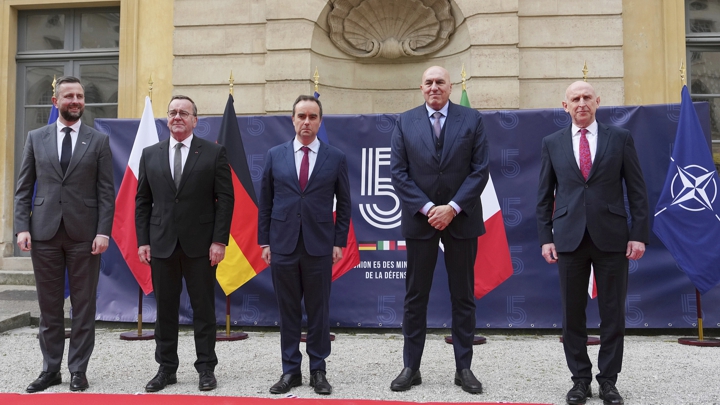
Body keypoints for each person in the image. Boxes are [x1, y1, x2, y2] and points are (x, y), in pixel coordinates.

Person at [536, 81, 649, 405]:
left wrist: (639, 234)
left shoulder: (620, 138)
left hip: (612, 237)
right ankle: (580, 381)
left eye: (587, 97)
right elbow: (543, 196)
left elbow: (638, 191)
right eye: (575, 98)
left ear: (598, 102)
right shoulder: (552, 143)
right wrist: (546, 238)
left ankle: (609, 381)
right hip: (568, 238)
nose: (582, 103)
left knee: (613, 314)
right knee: (572, 315)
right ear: (565, 106)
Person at [390, 66, 488, 394]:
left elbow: (479, 170)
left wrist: (453, 208)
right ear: (421, 87)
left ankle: (464, 369)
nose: (434, 87)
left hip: (462, 219)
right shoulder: (405, 122)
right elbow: (398, 173)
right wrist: (429, 208)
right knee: (415, 297)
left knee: (463, 296)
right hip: (421, 221)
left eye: (440, 82)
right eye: (429, 82)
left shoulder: (472, 119)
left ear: (450, 87)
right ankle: (411, 367)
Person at [14, 76, 115, 393]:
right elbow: (24, 188)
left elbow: (106, 193)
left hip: (85, 235)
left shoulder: (98, 141)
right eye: (69, 95)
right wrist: (22, 227)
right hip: (43, 233)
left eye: (80, 96)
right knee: (49, 306)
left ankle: (78, 370)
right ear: (55, 101)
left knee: (83, 306)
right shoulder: (36, 137)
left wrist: (103, 232)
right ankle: (50, 370)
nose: (75, 101)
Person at [135, 95, 234, 393]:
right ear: (167, 118)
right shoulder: (150, 154)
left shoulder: (214, 153)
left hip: (201, 246)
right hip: (161, 244)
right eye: (173, 112)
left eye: (184, 113)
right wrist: (143, 241)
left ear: (195, 120)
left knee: (203, 309)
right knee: (165, 311)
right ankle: (166, 369)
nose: (177, 117)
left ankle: (206, 368)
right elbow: (142, 201)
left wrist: (219, 240)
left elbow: (225, 200)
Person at [258, 95, 351, 396]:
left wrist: (338, 241)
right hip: (282, 244)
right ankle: (290, 370)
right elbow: (265, 202)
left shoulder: (335, 157)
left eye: (312, 117)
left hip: (319, 245)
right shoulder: (275, 155)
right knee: (288, 311)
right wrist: (265, 241)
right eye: (301, 116)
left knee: (318, 311)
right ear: (293, 120)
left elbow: (344, 204)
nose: (306, 122)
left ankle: (318, 370)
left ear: (320, 121)